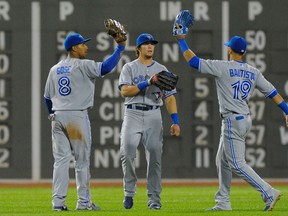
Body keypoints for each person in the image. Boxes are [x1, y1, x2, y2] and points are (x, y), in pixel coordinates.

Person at [174, 30, 288, 211]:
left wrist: (181, 40)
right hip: (245, 120)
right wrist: (287, 111)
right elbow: (272, 92)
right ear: (244, 53)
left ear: (230, 50)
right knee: (222, 160)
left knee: (237, 163)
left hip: (232, 120)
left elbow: (193, 62)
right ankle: (223, 202)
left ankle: (268, 192)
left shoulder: (223, 67)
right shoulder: (253, 72)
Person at [43, 31, 126, 211]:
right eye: (82, 44)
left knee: (61, 161)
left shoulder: (55, 68)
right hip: (76, 118)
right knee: (81, 162)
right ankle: (84, 203)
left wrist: (52, 114)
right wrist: (120, 48)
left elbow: (47, 98)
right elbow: (105, 67)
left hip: (57, 117)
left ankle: (58, 203)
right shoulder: (82, 65)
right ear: (74, 47)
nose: (85, 47)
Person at [118, 33, 181, 210]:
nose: (150, 46)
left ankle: (154, 198)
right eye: (145, 44)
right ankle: (129, 191)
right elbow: (125, 92)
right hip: (133, 113)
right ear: (138, 48)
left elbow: (169, 98)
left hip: (154, 113)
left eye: (152, 43)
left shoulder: (161, 69)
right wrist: (147, 82)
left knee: (154, 156)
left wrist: (175, 121)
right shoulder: (129, 68)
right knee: (127, 151)